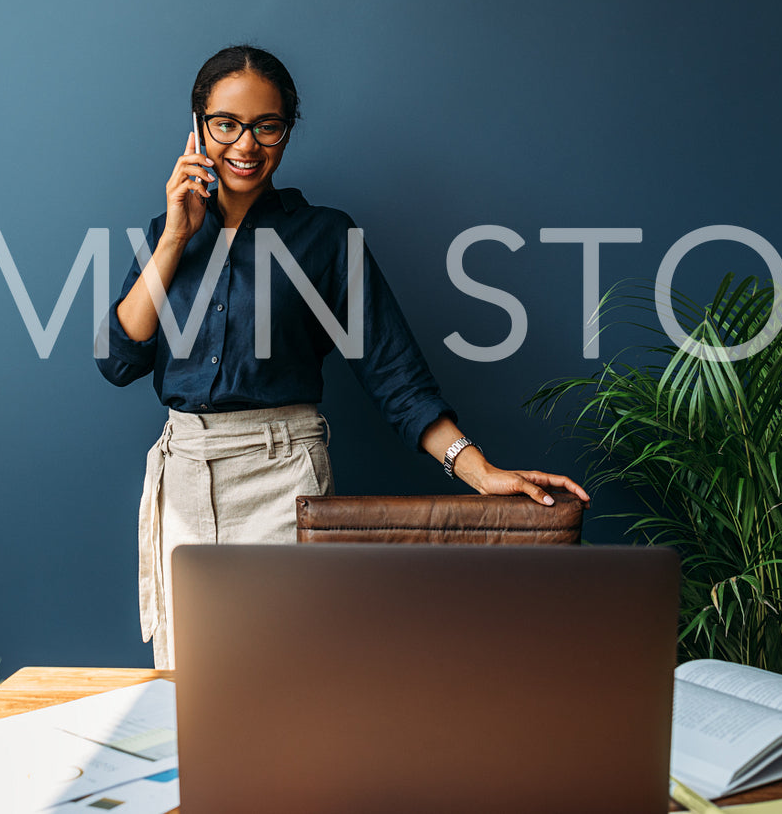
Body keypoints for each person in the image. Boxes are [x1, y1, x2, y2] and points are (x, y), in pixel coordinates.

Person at [96, 45, 588, 665]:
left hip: (280, 476)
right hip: (184, 478)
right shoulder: (166, 232)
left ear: (287, 130)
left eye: (267, 126)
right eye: (226, 124)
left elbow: (394, 374)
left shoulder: (326, 236)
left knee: (286, 679)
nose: (246, 145)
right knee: (189, 688)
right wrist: (174, 237)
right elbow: (119, 360)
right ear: (197, 125)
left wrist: (479, 471)